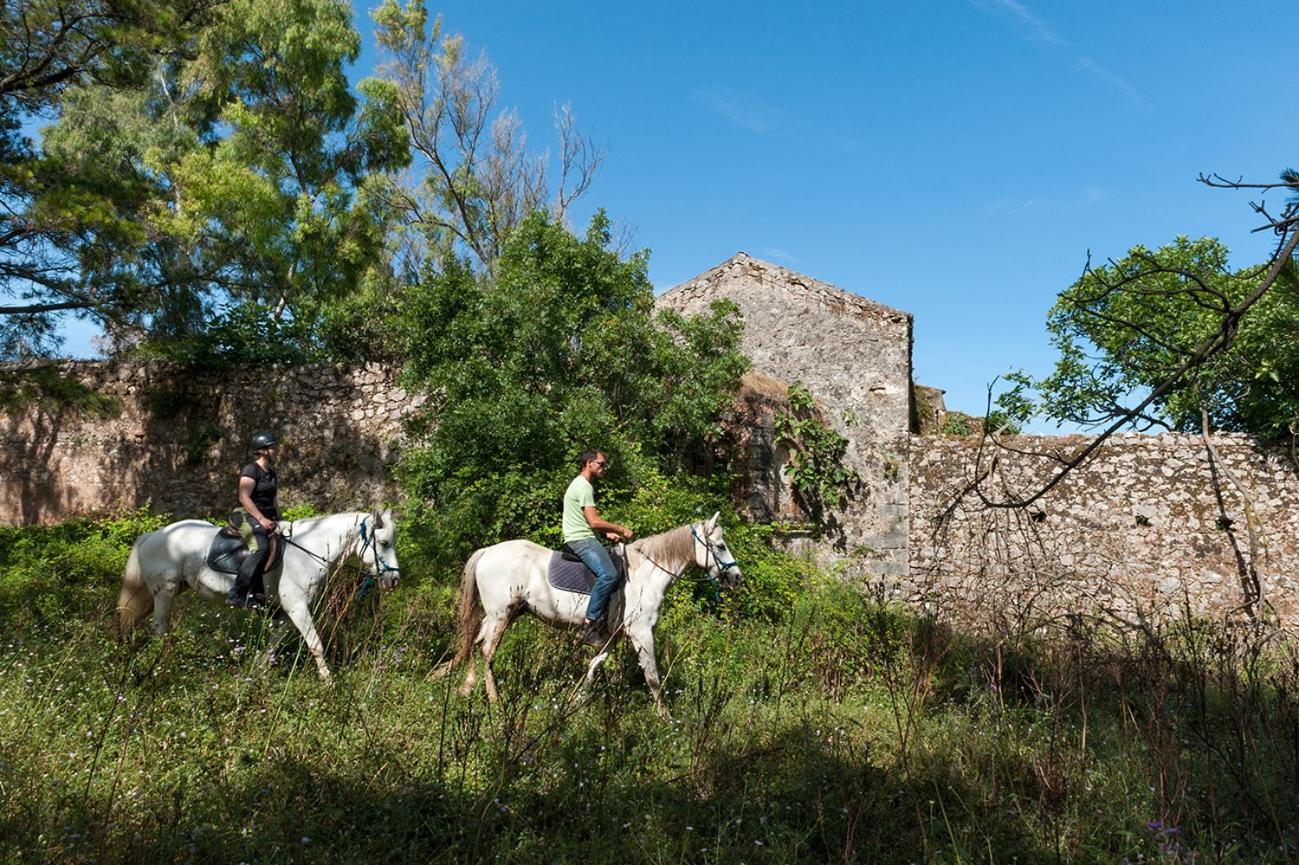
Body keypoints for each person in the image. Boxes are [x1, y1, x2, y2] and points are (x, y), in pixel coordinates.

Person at [562, 449, 634, 641]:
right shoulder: (584, 487)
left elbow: (585, 520)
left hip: (583, 536)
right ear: (589, 464)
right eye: (601, 464)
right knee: (609, 575)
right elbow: (593, 521)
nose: (604, 468)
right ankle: (589, 625)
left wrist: (606, 533)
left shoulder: (579, 484)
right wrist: (620, 529)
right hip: (581, 540)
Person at [225, 431, 281, 609]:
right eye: (272, 448)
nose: (276, 451)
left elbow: (273, 501)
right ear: (262, 451)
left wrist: (280, 520)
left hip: (266, 516)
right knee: (260, 548)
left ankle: (259, 591)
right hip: (246, 515)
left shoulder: (271, 473)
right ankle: (238, 593)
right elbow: (244, 497)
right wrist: (261, 519)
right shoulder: (251, 470)